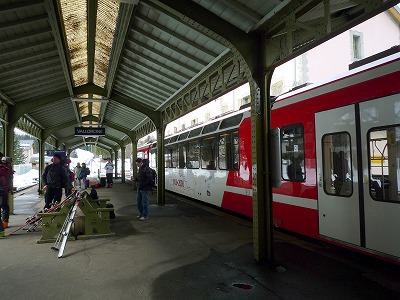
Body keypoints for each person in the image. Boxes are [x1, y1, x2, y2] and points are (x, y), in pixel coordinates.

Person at [0, 153, 13, 236]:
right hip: (3, 189)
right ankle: (4, 224)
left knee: (4, 205)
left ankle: (4, 222)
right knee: (4, 205)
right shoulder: (6, 167)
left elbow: (9, 179)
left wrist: (10, 188)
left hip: (2, 190)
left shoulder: (5, 167)